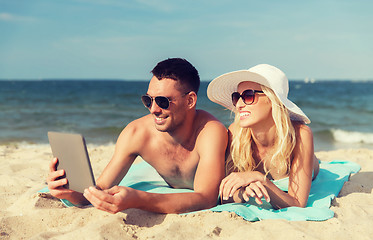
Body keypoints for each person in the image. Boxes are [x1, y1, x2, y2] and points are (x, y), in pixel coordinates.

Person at [47, 58, 228, 214]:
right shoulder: (136, 133)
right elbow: (100, 189)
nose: (154, 109)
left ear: (190, 100)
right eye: (148, 100)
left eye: (163, 101)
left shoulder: (210, 132)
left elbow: (206, 198)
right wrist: (69, 193)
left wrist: (139, 200)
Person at [207, 64, 319, 209]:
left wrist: (260, 178)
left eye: (248, 95)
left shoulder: (300, 135)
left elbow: (297, 204)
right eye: (237, 97)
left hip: (312, 166)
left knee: (314, 164)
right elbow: (225, 195)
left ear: (273, 100)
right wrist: (243, 193)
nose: (239, 104)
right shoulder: (235, 134)